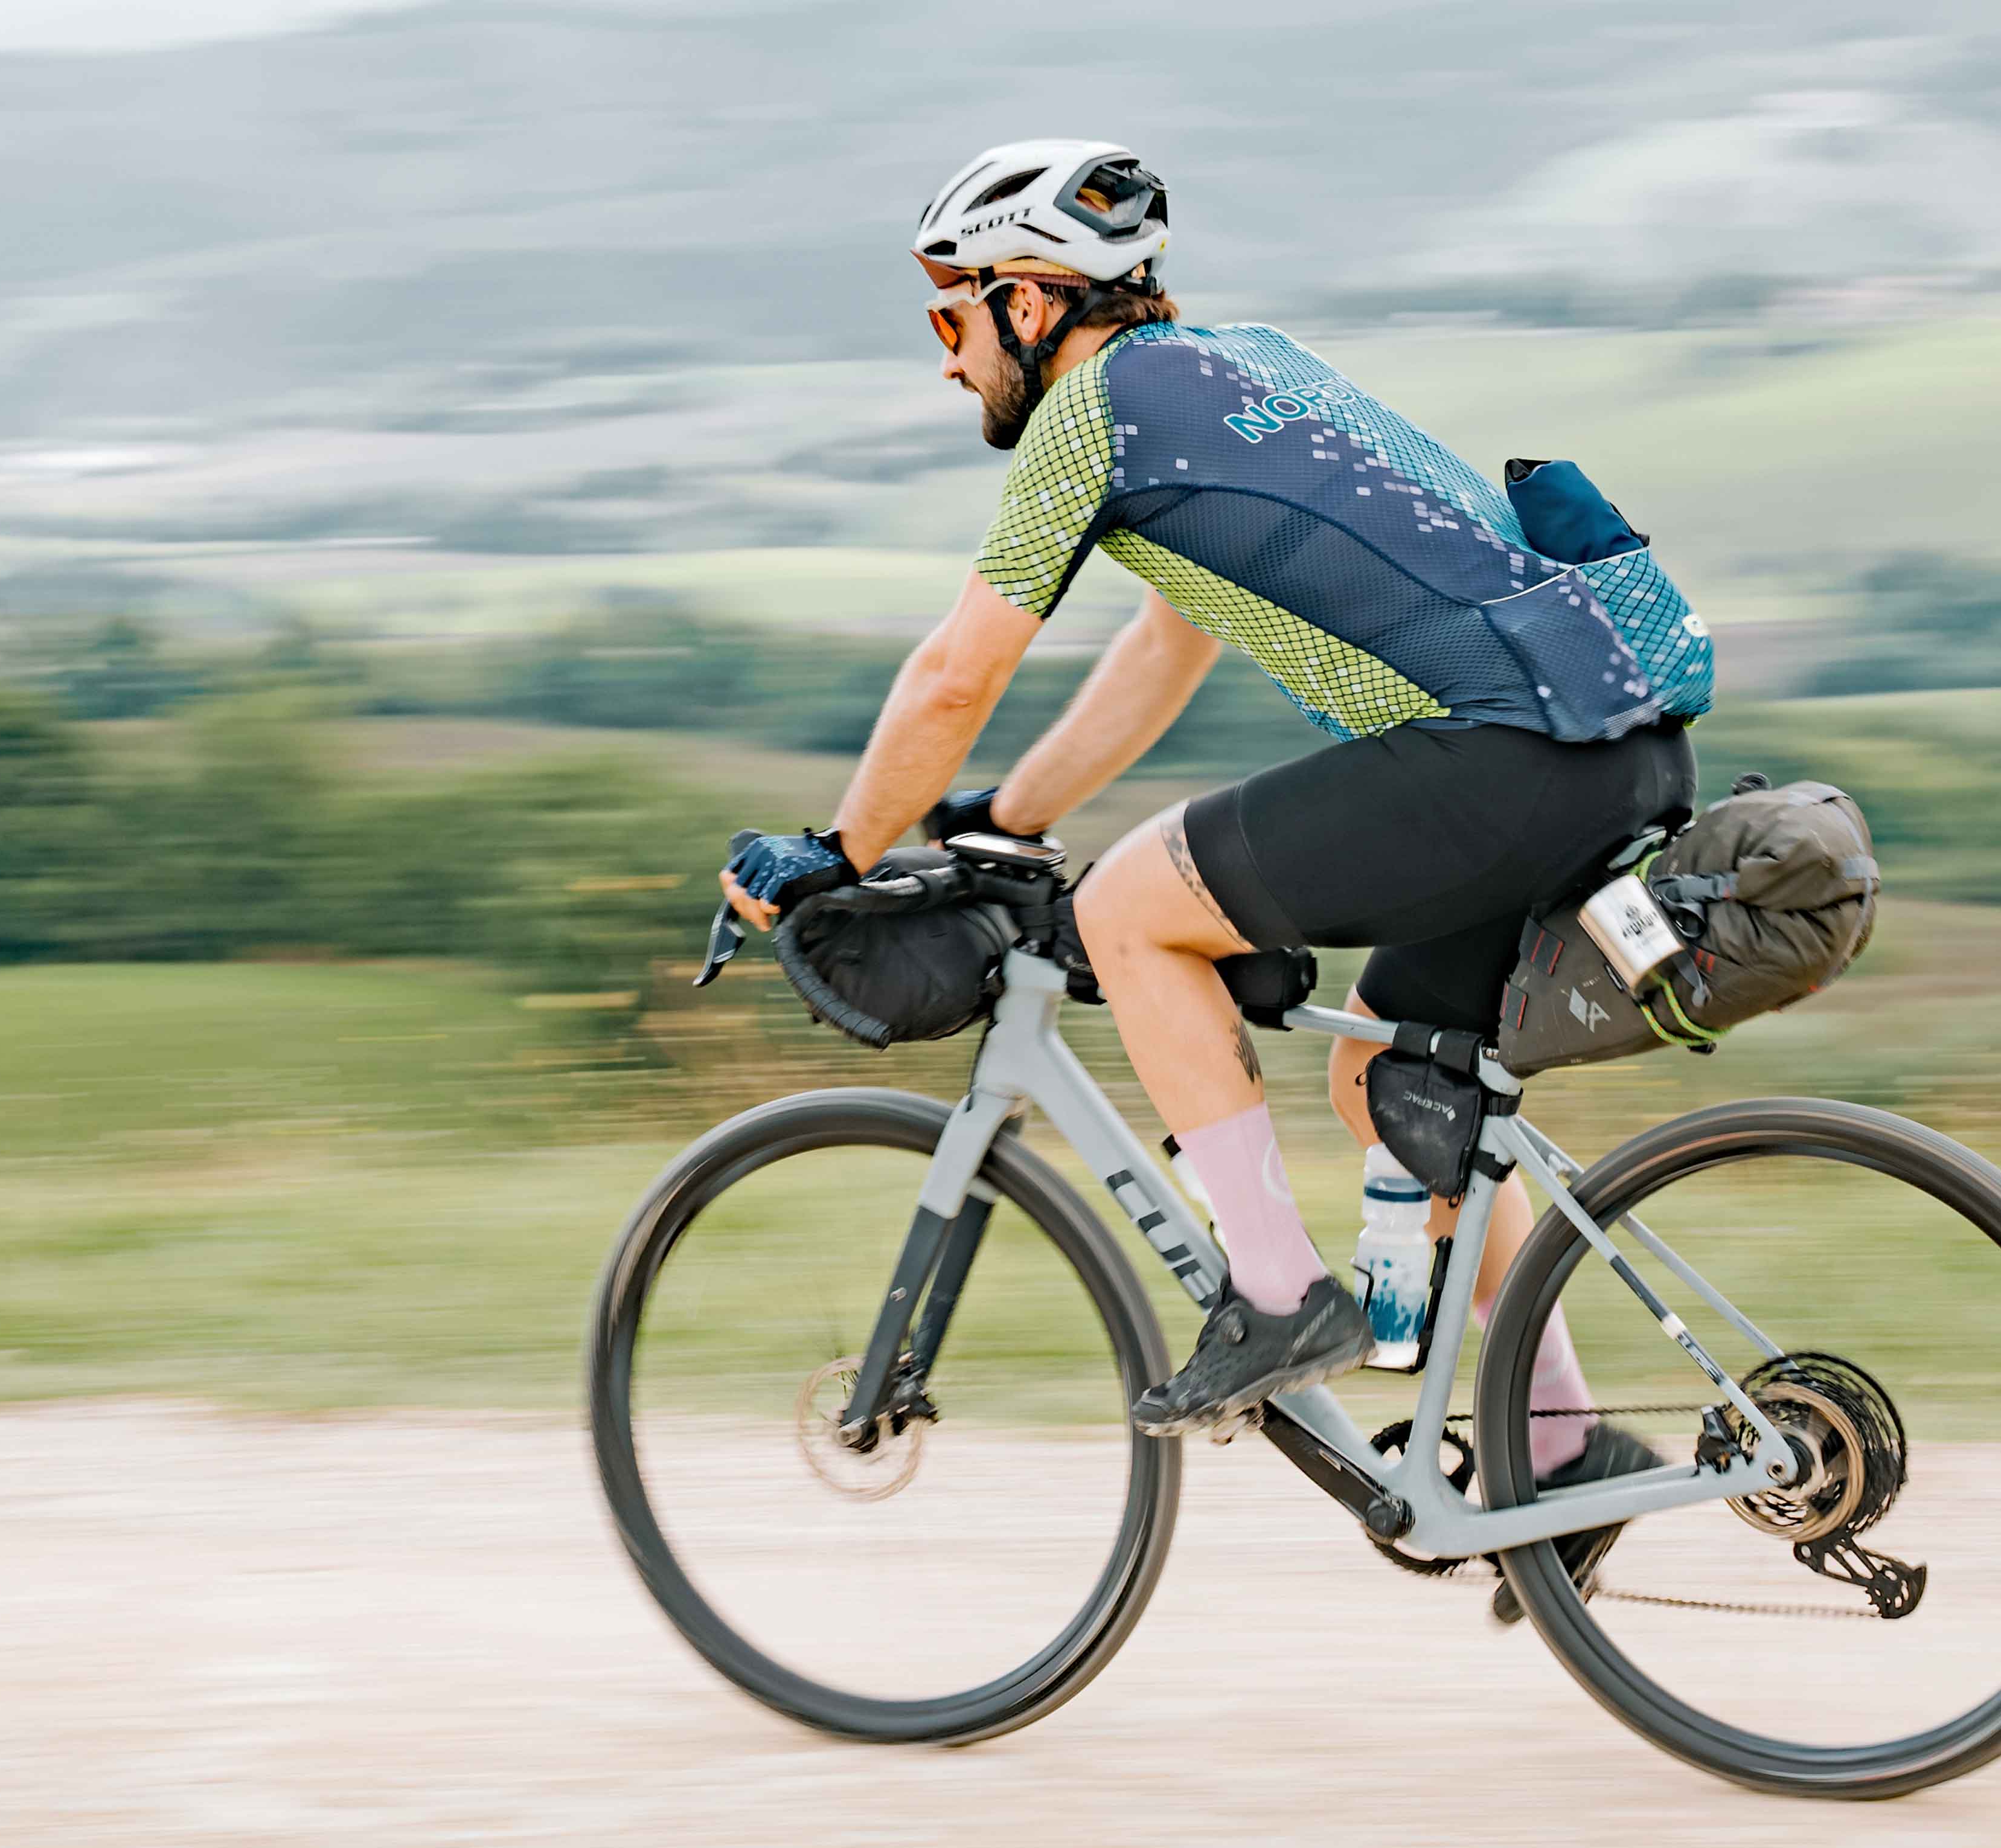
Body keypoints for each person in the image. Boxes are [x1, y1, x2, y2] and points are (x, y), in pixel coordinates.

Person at [716, 140, 1712, 1608]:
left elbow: (954, 673)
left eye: (952, 316)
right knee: (1390, 1075)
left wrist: (837, 851)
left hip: (1505, 754)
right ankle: (1560, 1450)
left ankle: (1278, 1297)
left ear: (1031, 302)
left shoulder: (1093, 416)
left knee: (1130, 911)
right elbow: (1171, 643)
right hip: (1611, 746)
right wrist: (1012, 812)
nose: (946, 358)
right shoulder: (1241, 370)